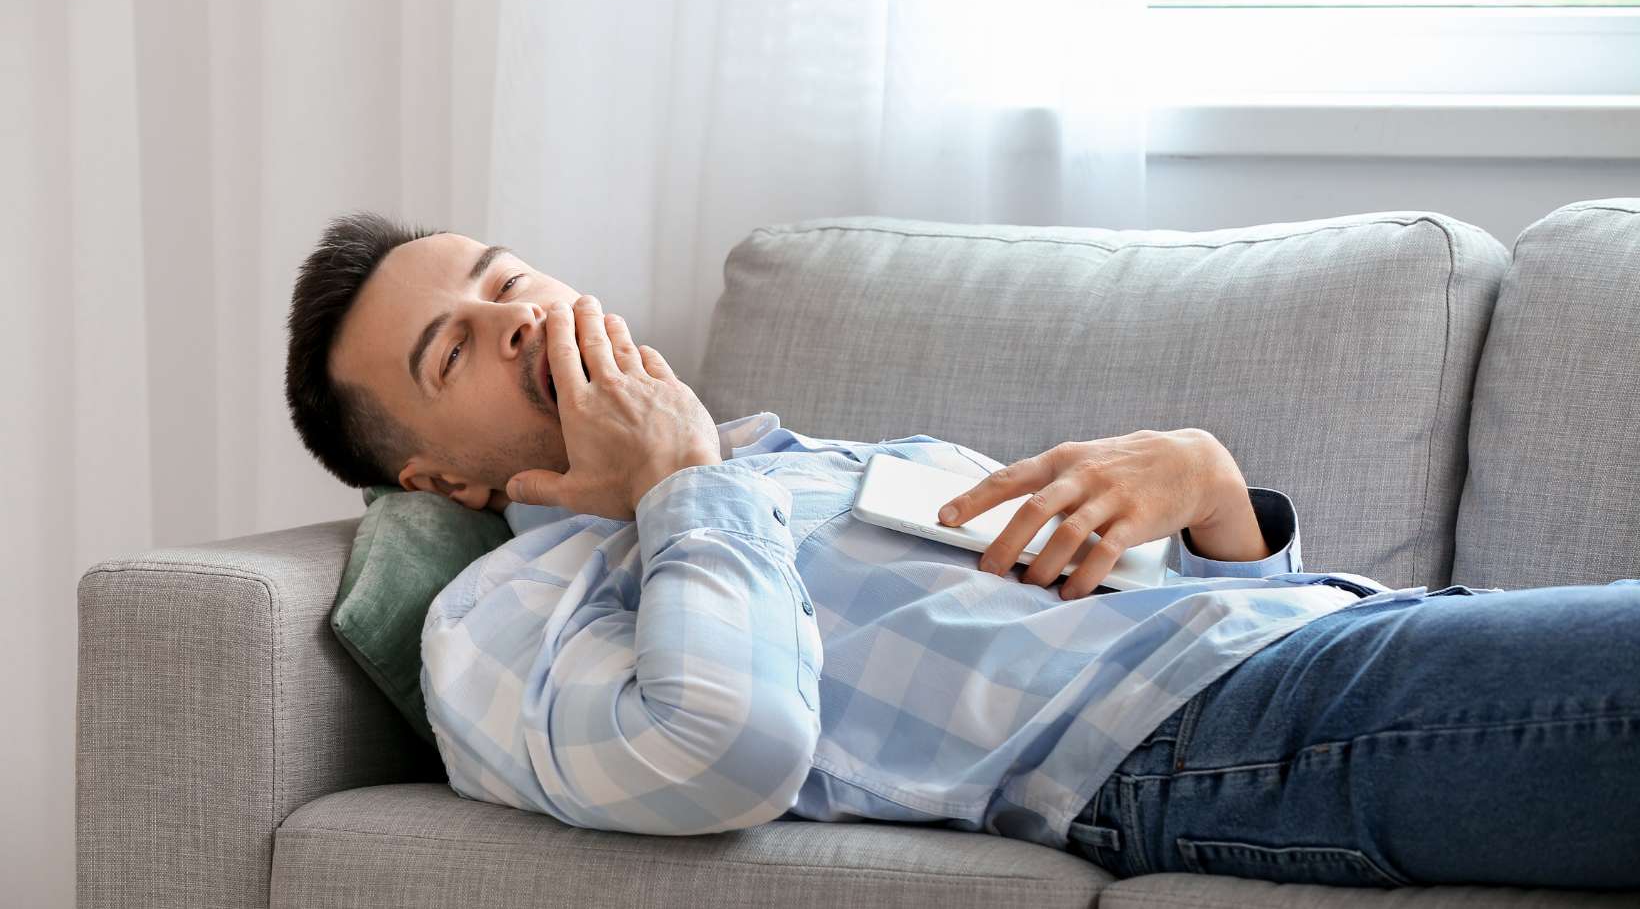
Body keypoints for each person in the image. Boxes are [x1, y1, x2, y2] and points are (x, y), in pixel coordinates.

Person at [284, 211, 1640, 890]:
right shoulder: (503, 617)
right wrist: (675, 484)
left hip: (1323, 653)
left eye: (512, 281)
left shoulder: (805, 464)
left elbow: (1198, 624)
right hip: (1207, 742)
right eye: (453, 345)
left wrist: (1216, 501)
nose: (514, 319)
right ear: (433, 473)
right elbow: (721, 756)